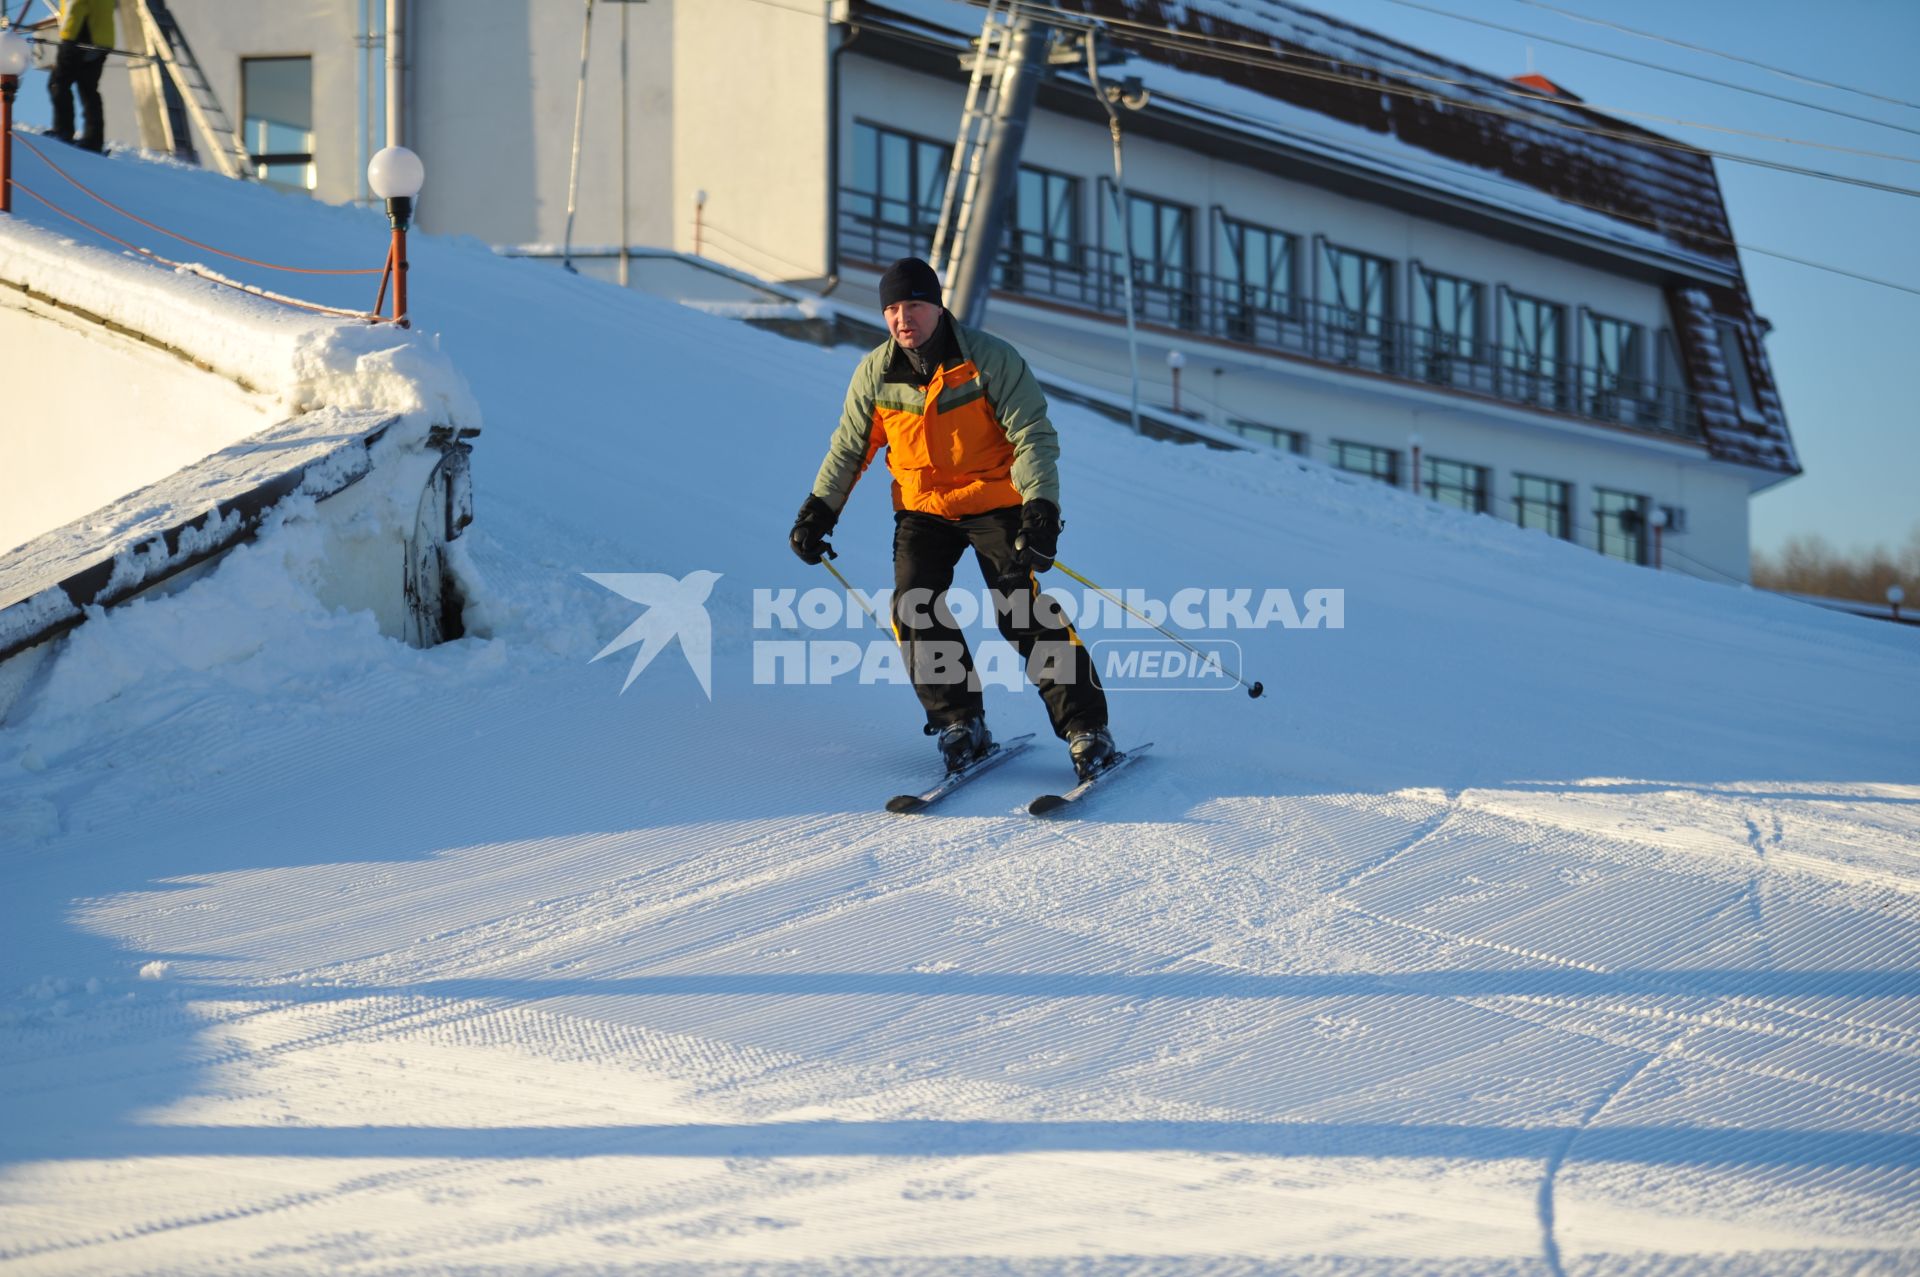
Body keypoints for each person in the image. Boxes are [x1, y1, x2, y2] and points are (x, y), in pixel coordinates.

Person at [790, 257, 1113, 779]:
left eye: (913, 305)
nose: (902, 318)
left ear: (937, 306)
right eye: (892, 308)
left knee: (1020, 609)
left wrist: (1041, 509)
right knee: (915, 603)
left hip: (996, 500)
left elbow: (1031, 433)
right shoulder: (875, 372)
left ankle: (1086, 728)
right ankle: (960, 722)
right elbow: (850, 449)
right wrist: (818, 512)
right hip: (923, 508)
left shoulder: (989, 359)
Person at [44, 0, 114, 153]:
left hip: (80, 35)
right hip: (103, 40)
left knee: (58, 83)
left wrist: (68, 37)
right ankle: (94, 140)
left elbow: (76, 6)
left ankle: (63, 131)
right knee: (88, 89)